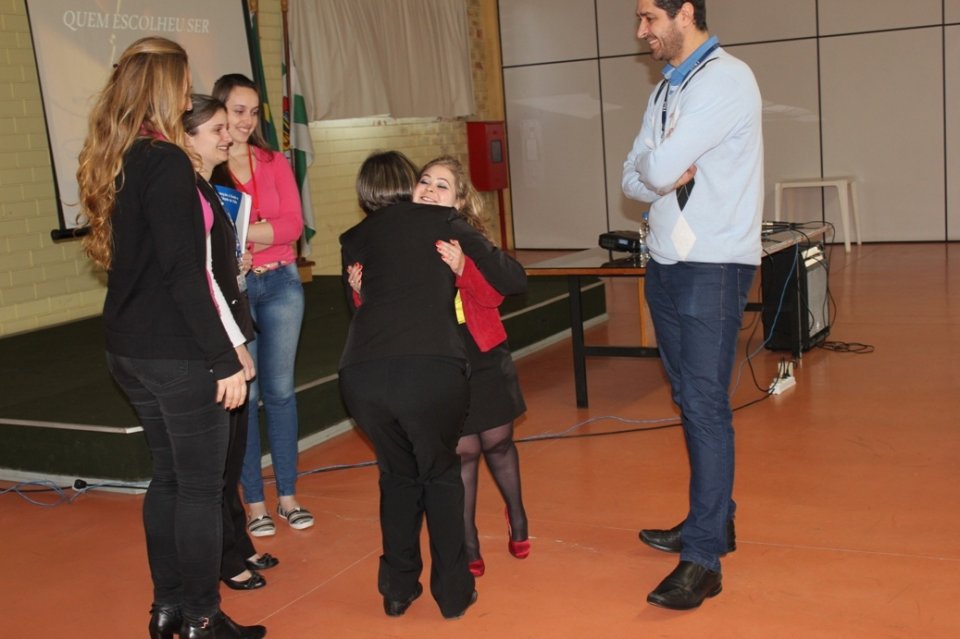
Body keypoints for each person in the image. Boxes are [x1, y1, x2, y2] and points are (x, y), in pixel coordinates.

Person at [77, 38, 265, 638]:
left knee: (170, 479)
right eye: (183, 86)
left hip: (129, 346)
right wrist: (222, 357)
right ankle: (202, 619)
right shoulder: (162, 161)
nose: (189, 95)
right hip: (173, 351)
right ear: (163, 91)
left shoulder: (126, 155)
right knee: (198, 489)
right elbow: (184, 273)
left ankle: (169, 612)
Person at [338, 151, 526, 619]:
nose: (429, 191)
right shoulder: (442, 222)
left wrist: (464, 268)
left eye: (440, 185)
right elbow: (515, 279)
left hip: (363, 377)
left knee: (398, 479)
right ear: (408, 187)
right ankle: (453, 593)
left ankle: (398, 590)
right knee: (442, 479)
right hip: (427, 371)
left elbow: (363, 307)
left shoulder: (355, 238)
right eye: (423, 181)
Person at [621, 0, 763, 610]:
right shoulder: (665, 92)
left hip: (713, 266)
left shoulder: (726, 78)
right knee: (688, 396)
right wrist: (659, 168)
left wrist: (659, 167)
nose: (641, 32)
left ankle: (703, 558)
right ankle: (715, 519)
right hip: (667, 264)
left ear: (685, 13)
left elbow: (657, 166)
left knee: (705, 406)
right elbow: (634, 176)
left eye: (650, 17)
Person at [182, 95, 280, 593]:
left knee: (234, 447)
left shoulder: (211, 187)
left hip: (232, 327)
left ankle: (237, 544)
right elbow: (196, 278)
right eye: (218, 127)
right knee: (216, 462)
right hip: (215, 340)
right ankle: (225, 558)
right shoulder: (184, 192)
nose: (229, 135)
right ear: (189, 136)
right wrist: (232, 344)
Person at [211, 74, 311, 537]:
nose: (247, 120)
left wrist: (239, 229)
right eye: (238, 111)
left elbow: (293, 226)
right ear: (220, 111)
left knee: (282, 392)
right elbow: (208, 232)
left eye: (253, 112)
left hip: (283, 284)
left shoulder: (273, 161)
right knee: (246, 398)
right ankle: (254, 503)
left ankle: (288, 495)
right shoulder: (208, 168)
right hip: (237, 290)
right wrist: (258, 227)